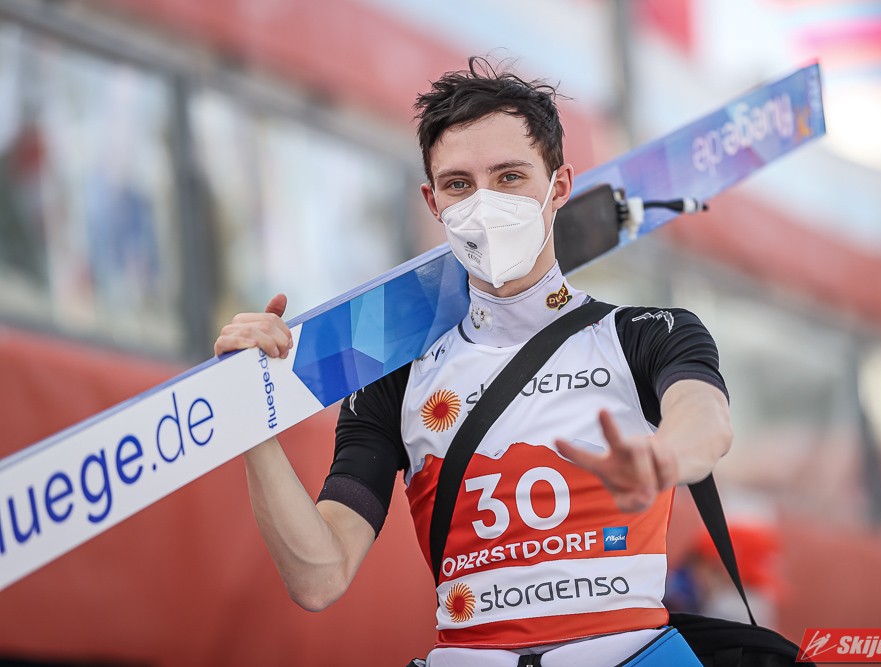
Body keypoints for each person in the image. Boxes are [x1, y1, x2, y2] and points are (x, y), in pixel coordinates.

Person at [214, 56, 733, 666]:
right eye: (459, 185)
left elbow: (706, 420)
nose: (485, 205)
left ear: (559, 186)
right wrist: (251, 414)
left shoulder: (645, 334)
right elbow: (319, 576)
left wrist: (666, 454)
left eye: (510, 177)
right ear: (433, 202)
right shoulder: (397, 378)